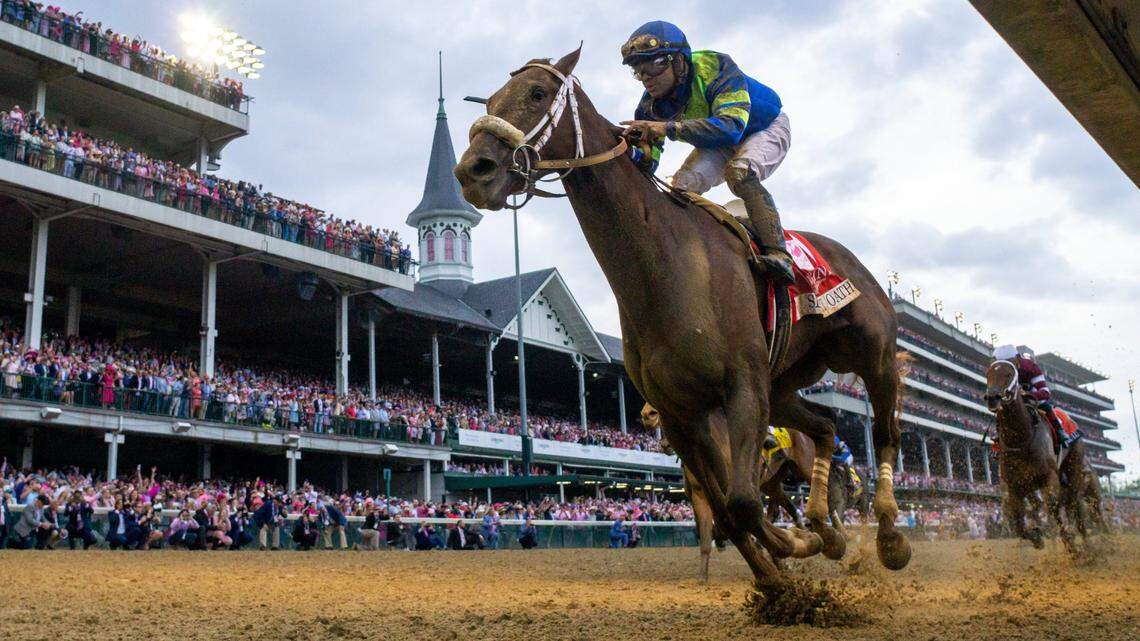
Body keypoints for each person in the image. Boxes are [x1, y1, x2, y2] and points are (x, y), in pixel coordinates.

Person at [619, 20, 793, 284]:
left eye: (653, 66)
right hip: (720, 140)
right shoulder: (649, 106)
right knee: (680, 187)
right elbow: (649, 164)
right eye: (638, 71)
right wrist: (630, 152)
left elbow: (731, 127)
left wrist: (666, 128)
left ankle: (779, 254)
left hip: (764, 127)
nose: (646, 79)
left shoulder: (715, 67)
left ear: (679, 61)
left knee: (740, 173)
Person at [992, 344, 1082, 451]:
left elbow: (1045, 392)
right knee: (1001, 410)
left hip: (1032, 396)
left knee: (1045, 406)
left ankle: (1060, 432)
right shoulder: (1000, 372)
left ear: (1017, 359)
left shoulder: (1031, 367)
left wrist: (1027, 394)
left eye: (1010, 362)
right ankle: (998, 437)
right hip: (1014, 398)